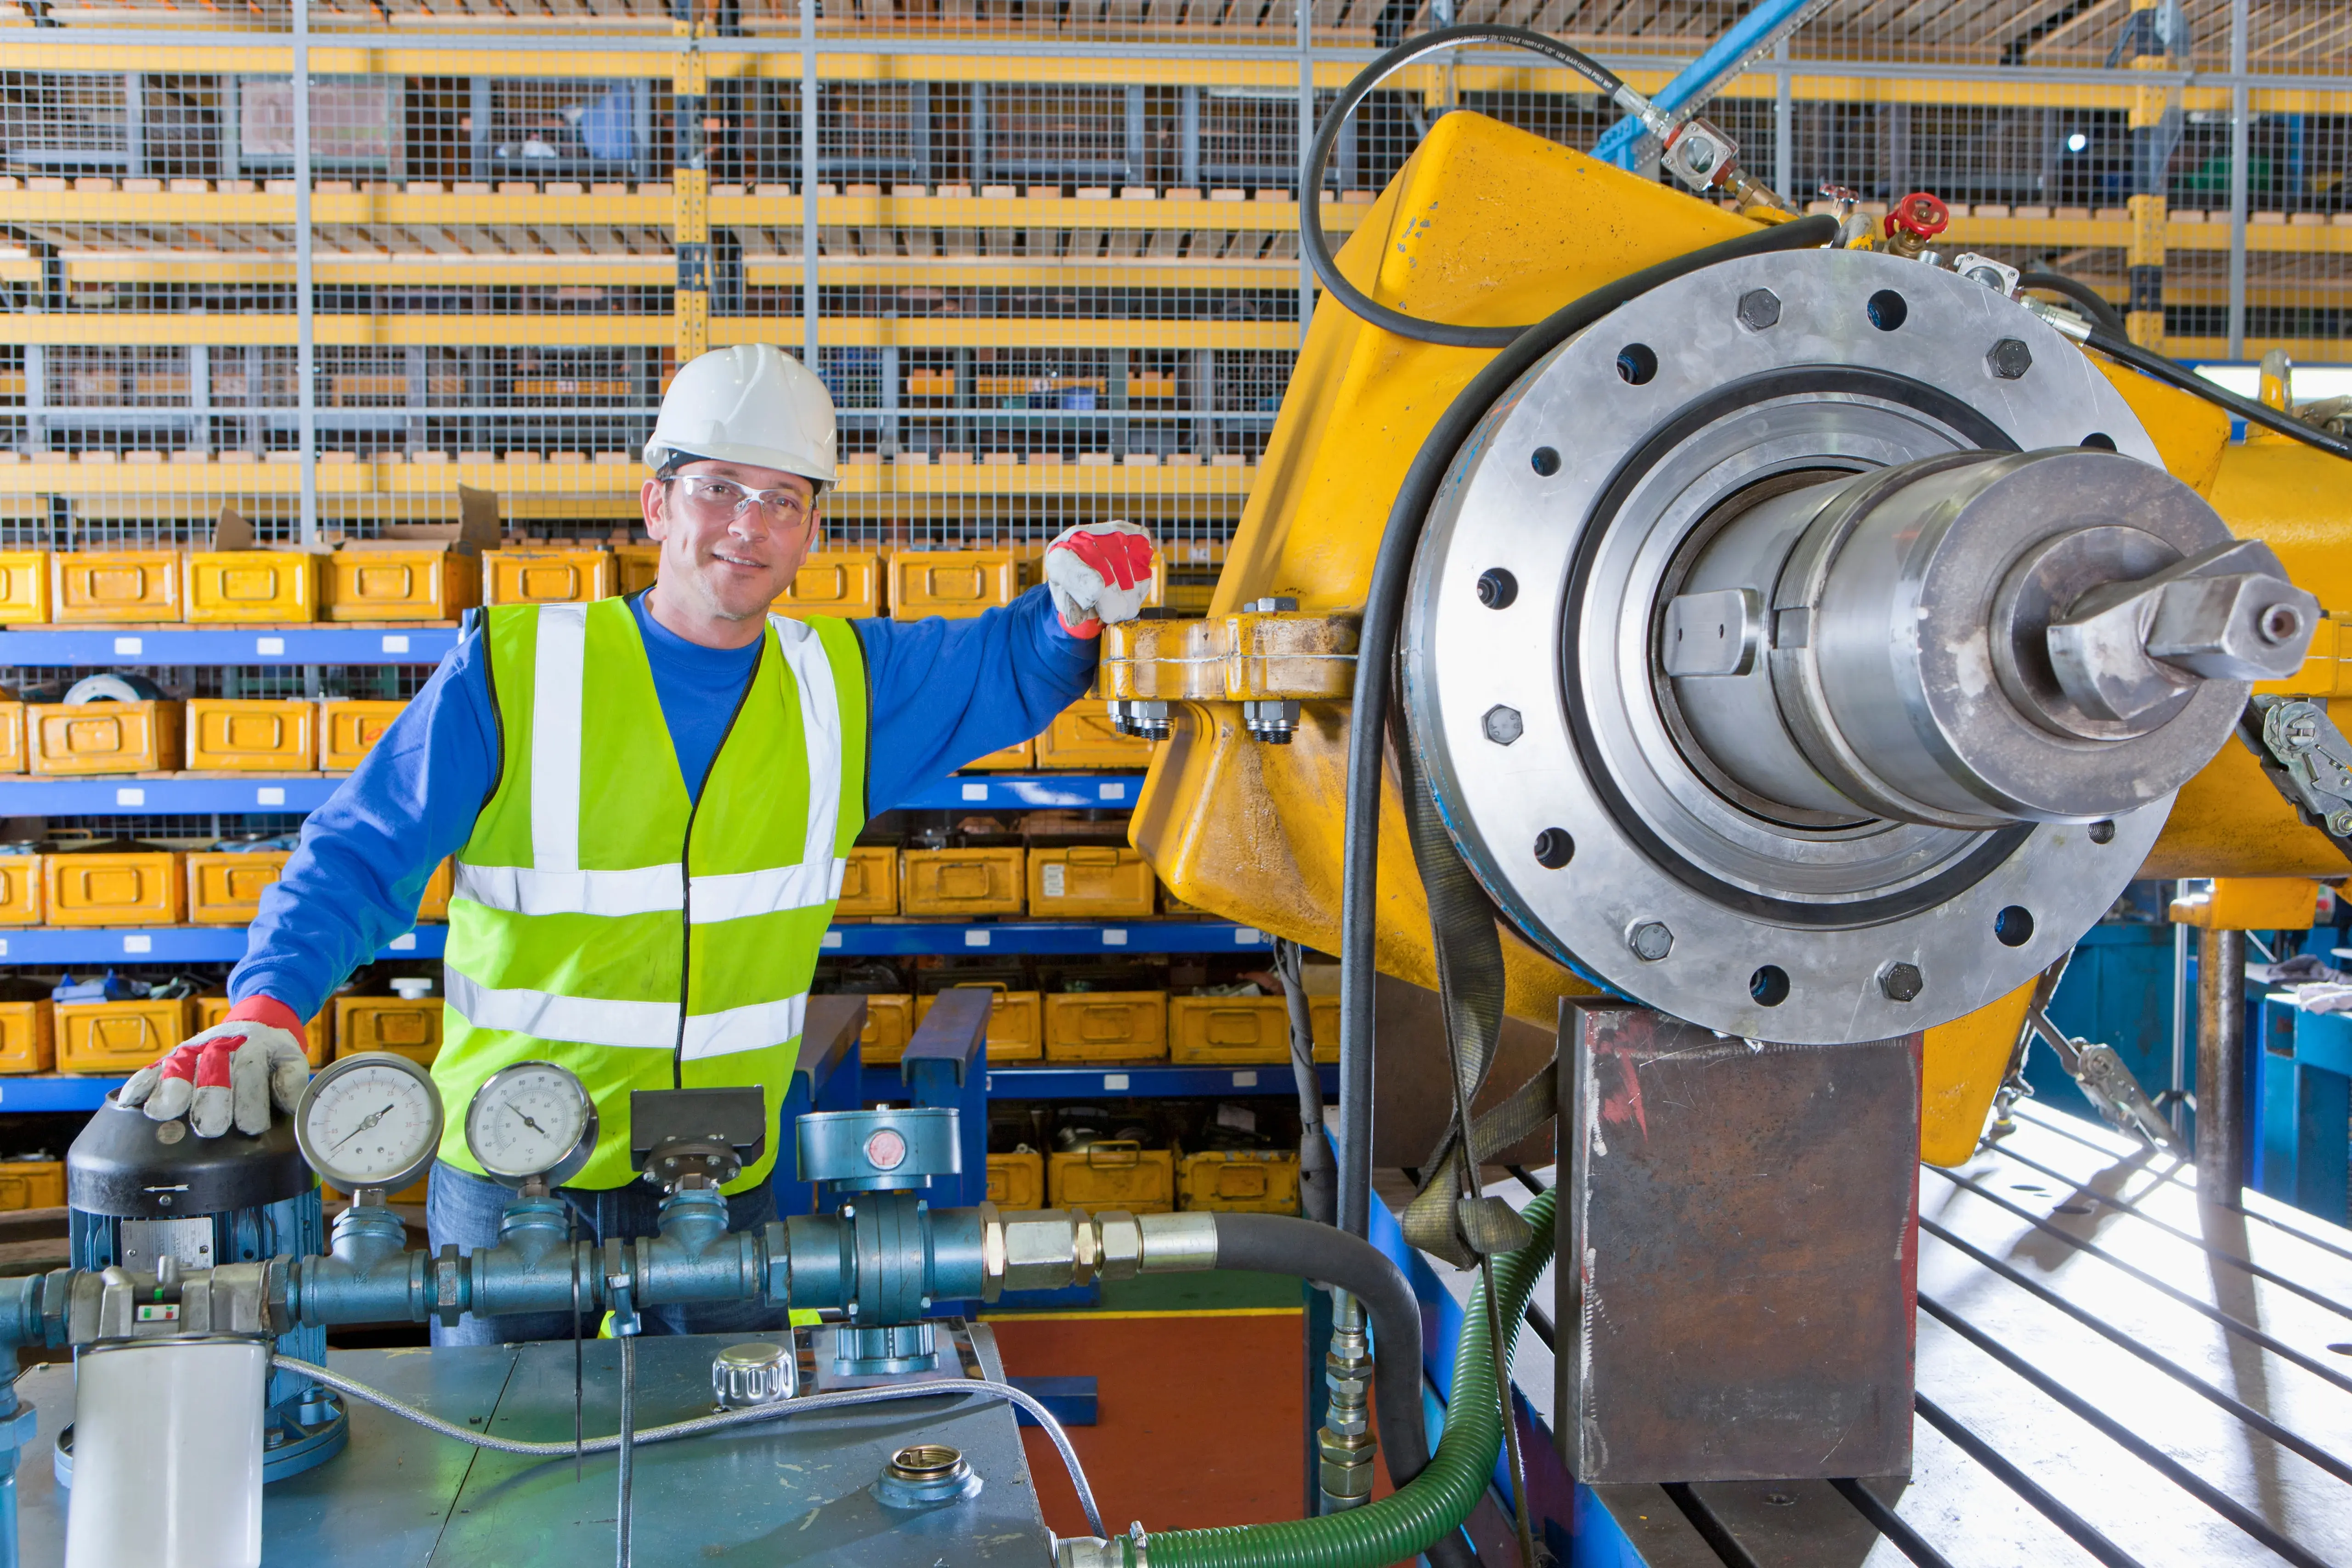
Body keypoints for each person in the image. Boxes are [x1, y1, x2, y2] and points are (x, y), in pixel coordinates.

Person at [118, 343, 1160, 1342]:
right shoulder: (517, 670)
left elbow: (1005, 667)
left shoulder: (847, 687)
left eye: (783, 500)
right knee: (499, 1489)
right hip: (512, 1164)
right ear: (657, 501)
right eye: (719, 488)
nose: (747, 526)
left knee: (716, 1476)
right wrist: (266, 1004)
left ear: (809, 533)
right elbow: (359, 851)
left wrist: (1071, 604)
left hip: (722, 1172)